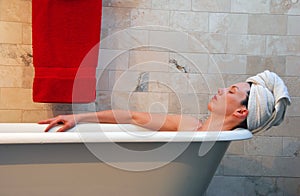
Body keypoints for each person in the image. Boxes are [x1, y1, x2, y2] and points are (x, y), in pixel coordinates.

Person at [39, 70, 291, 134]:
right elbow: (132, 117)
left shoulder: (204, 136)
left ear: (241, 111)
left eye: (231, 90)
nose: (221, 89)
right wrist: (78, 118)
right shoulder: (191, 124)